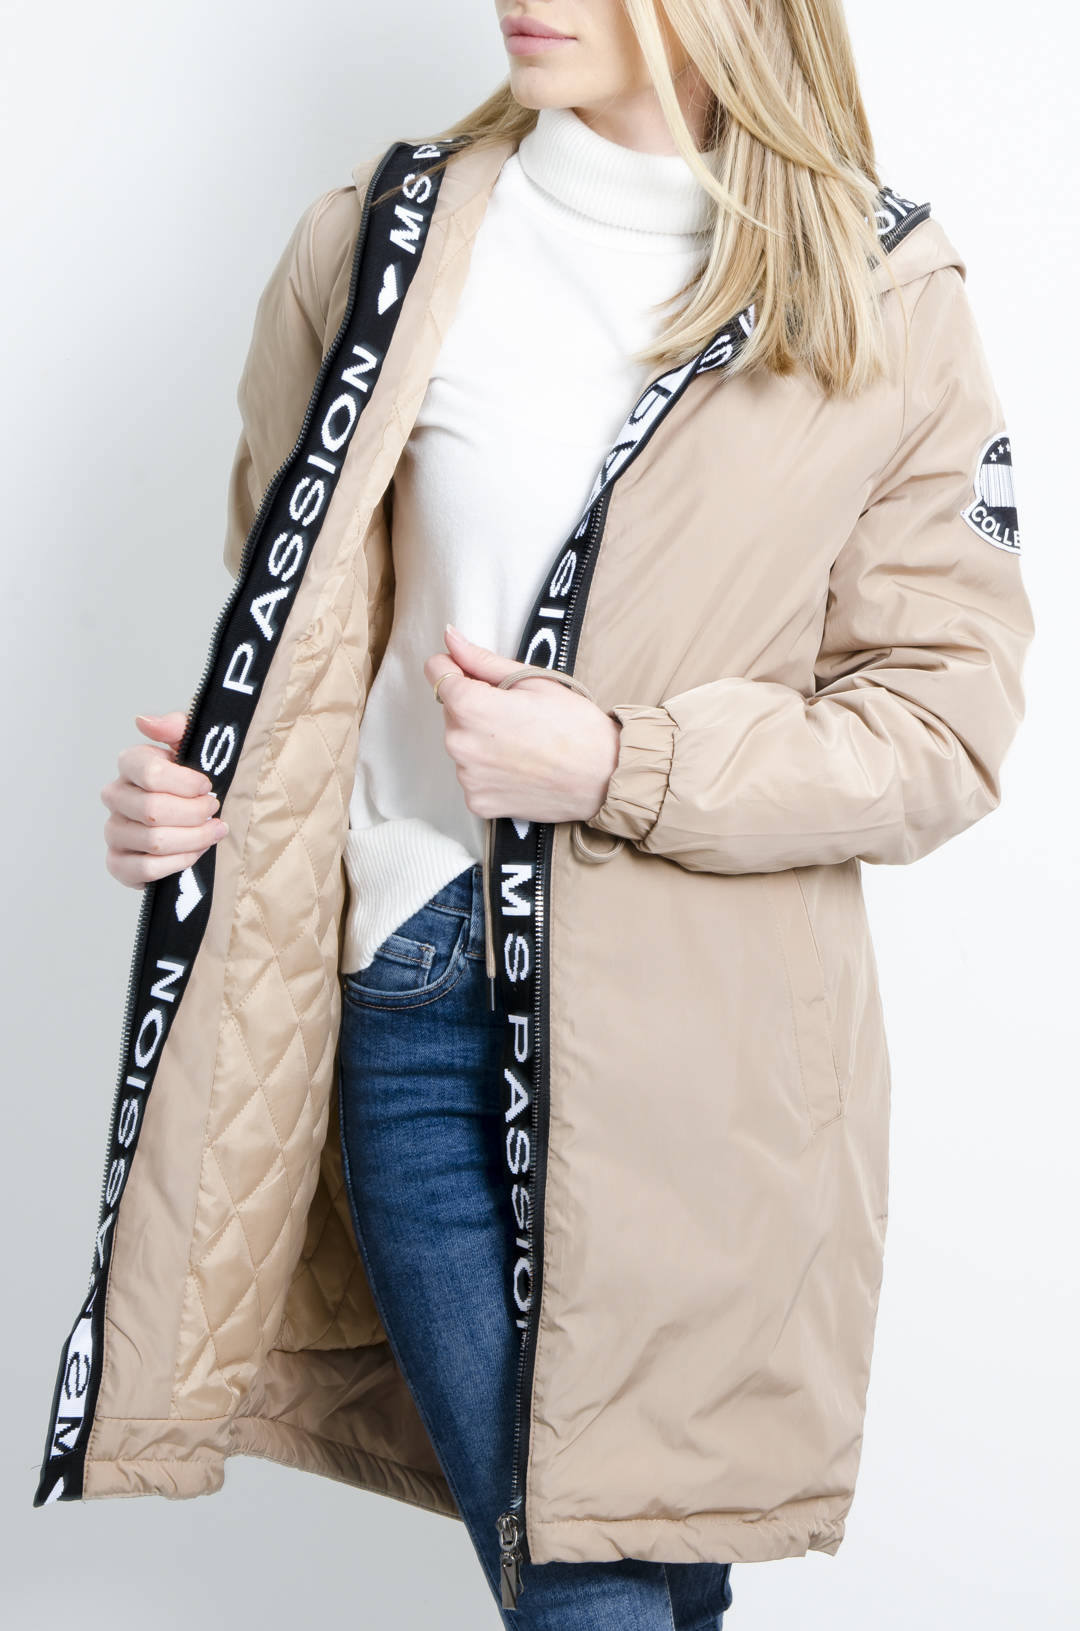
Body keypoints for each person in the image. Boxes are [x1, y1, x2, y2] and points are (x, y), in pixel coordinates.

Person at [37, 3, 1033, 1628]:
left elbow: (942, 726)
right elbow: (294, 636)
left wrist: (621, 763)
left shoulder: (881, 288)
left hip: (716, 1064)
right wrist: (197, 797)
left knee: (655, 1586)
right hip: (421, 995)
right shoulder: (381, 241)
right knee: (588, 1585)